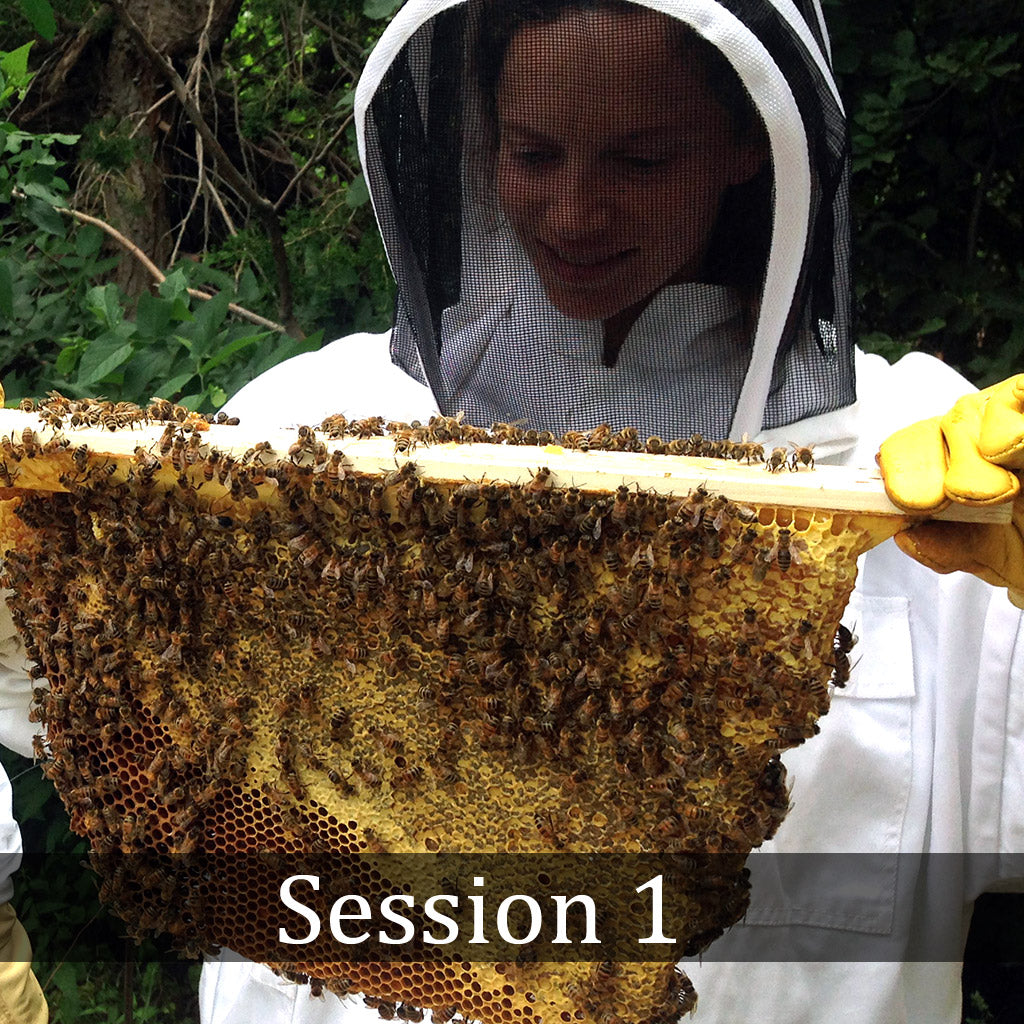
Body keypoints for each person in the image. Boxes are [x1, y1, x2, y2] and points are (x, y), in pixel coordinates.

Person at [3, 1, 1023, 1022]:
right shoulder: (300, 425)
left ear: (747, 147)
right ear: (479, 136)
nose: (575, 212)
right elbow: (84, 696)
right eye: (534, 153)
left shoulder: (911, 466)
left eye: (640, 160)